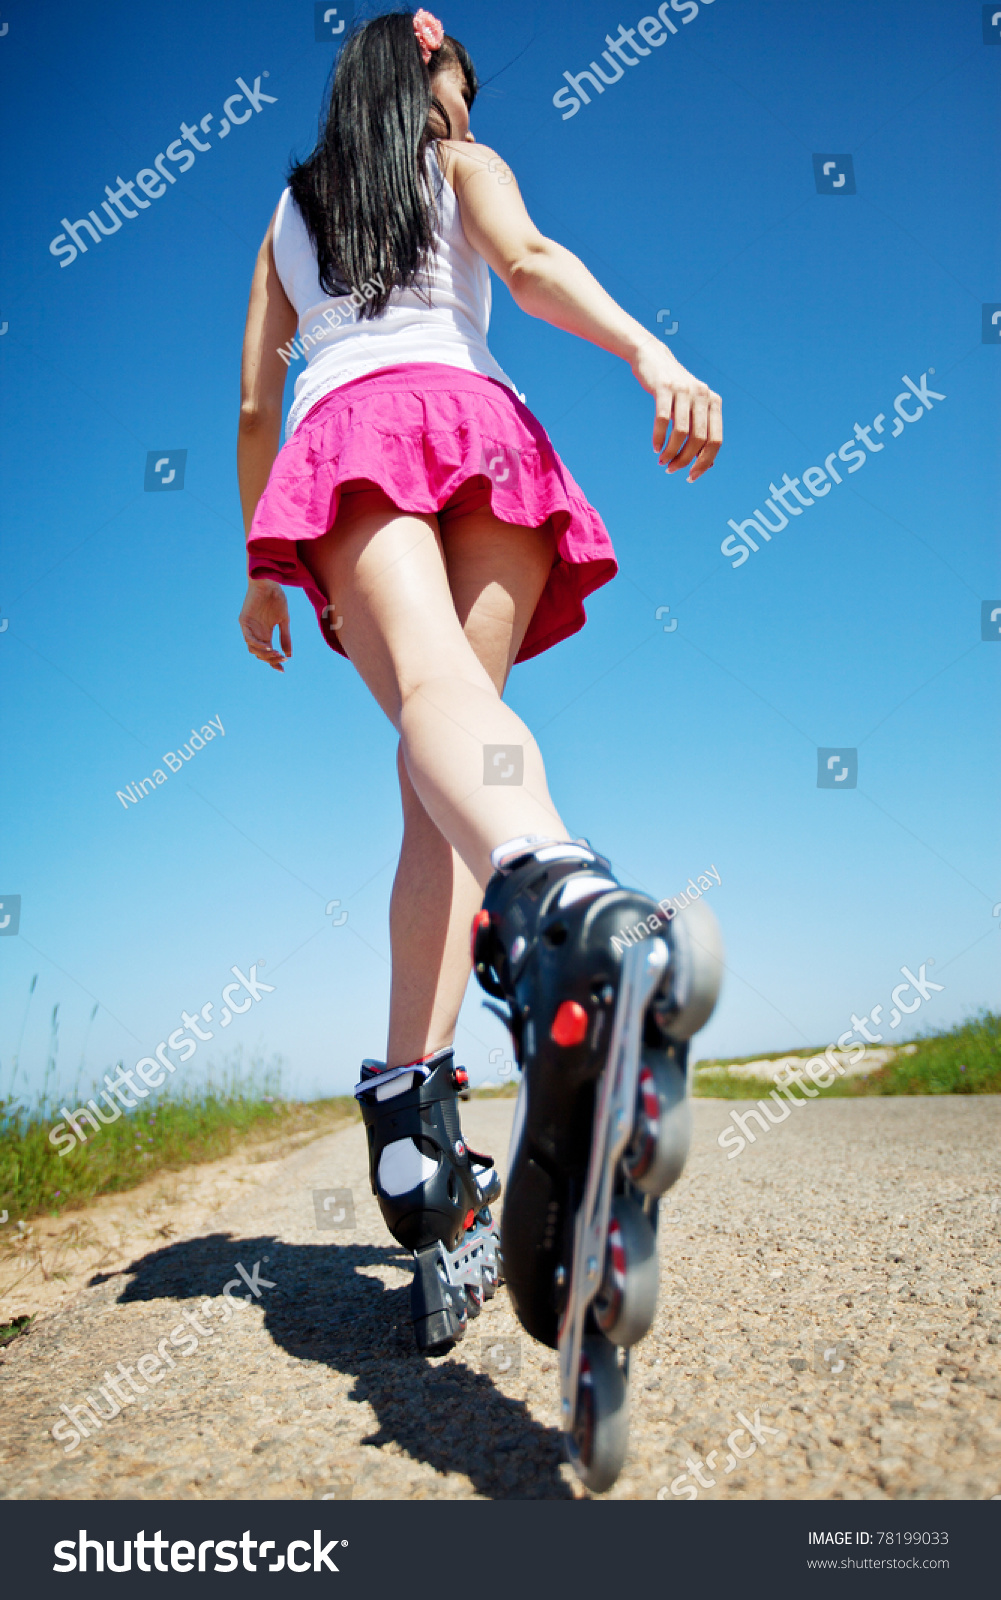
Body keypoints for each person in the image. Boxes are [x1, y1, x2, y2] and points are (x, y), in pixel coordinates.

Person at [237, 8, 722, 1476]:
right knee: (452, 751)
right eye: (456, 70)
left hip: (358, 430)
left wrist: (261, 562)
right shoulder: (464, 164)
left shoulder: (289, 208)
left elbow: (259, 394)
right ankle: (504, 989)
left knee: (437, 730)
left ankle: (538, 946)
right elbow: (526, 267)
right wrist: (647, 352)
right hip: (482, 426)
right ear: (430, 78)